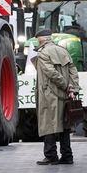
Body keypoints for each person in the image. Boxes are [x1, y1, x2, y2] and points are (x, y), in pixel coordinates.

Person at [31, 29, 80, 165]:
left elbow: (50, 73)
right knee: (64, 124)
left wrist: (65, 86)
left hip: (49, 94)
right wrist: (73, 89)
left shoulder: (43, 53)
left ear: (40, 40)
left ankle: (51, 155)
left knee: (48, 124)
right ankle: (67, 156)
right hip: (64, 95)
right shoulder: (63, 51)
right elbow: (73, 71)